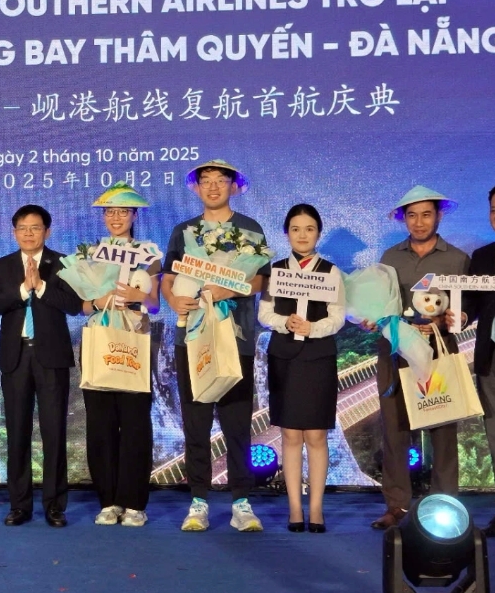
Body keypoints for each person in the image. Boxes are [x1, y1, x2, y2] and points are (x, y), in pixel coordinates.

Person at [161, 159, 270, 532]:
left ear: (234, 186)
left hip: (236, 337)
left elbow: (259, 282)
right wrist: (173, 299)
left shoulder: (250, 229)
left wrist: (232, 287)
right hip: (190, 338)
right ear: (195, 188)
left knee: (237, 423)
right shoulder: (183, 231)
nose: (212, 187)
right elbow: (169, 276)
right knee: (196, 422)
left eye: (220, 181)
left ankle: (241, 501)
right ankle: (198, 501)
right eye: (205, 181)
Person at [366, 185, 469, 530]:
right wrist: (372, 318)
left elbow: (466, 309)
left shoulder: (456, 259)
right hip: (395, 353)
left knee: (442, 427)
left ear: (438, 215)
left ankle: (446, 503)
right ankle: (397, 506)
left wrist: (450, 320)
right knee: (394, 430)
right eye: (412, 215)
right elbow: (380, 304)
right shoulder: (390, 258)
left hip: (439, 352)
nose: (419, 222)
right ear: (403, 219)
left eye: (426, 214)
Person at [0, 205, 82, 527]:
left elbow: (72, 305)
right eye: (22, 228)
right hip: (16, 357)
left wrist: (41, 287)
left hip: (51, 356)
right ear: (14, 232)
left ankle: (55, 505)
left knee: (54, 432)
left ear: (47, 231)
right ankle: (19, 505)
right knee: (16, 432)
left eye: (36, 228)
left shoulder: (63, 263)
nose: (29, 233)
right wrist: (22, 289)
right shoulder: (3, 265)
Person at [258, 204, 345, 533]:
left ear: (318, 233)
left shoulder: (331, 272)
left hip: (318, 357)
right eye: (296, 229)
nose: (303, 235)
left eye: (309, 229)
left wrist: (313, 327)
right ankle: (295, 508)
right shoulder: (276, 271)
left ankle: (317, 508)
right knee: (291, 435)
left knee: (317, 435)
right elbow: (264, 315)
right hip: (285, 358)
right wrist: (286, 322)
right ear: (287, 233)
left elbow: (337, 317)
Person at [79, 183, 161, 527]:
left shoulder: (149, 253)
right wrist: (98, 301)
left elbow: (155, 304)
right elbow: (82, 305)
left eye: (123, 211)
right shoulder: (90, 253)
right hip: (99, 339)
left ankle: (134, 502)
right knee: (100, 424)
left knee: (135, 424)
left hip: (134, 339)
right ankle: (108, 500)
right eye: (109, 212)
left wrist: (135, 296)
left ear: (134, 215)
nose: (116, 218)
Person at [462, 185, 495, 536]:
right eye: (494, 209)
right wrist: (459, 317)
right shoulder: (483, 258)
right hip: (492, 359)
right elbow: (470, 305)